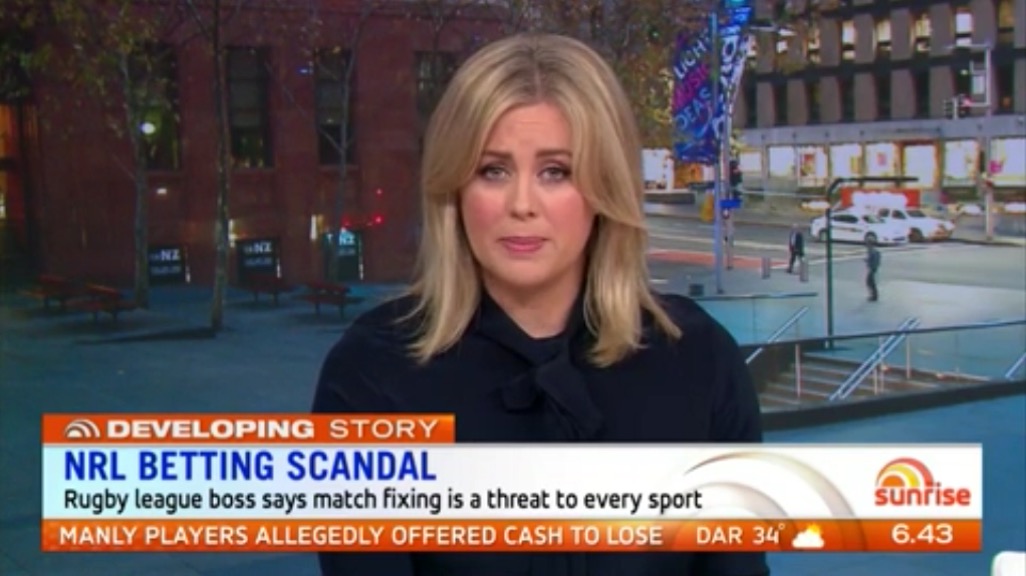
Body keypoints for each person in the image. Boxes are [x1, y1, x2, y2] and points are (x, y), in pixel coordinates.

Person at [312, 33, 769, 576]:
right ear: (455, 189)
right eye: (493, 170)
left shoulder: (698, 358)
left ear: (604, 187)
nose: (522, 205)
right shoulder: (372, 372)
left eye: (556, 171)